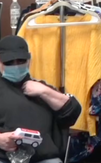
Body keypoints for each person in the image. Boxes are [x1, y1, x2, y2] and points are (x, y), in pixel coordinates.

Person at [0, 35, 82, 163]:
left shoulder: (42, 89)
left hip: (45, 157)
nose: (16, 66)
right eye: (9, 62)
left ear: (29, 60)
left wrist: (45, 91)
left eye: (21, 60)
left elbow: (73, 111)